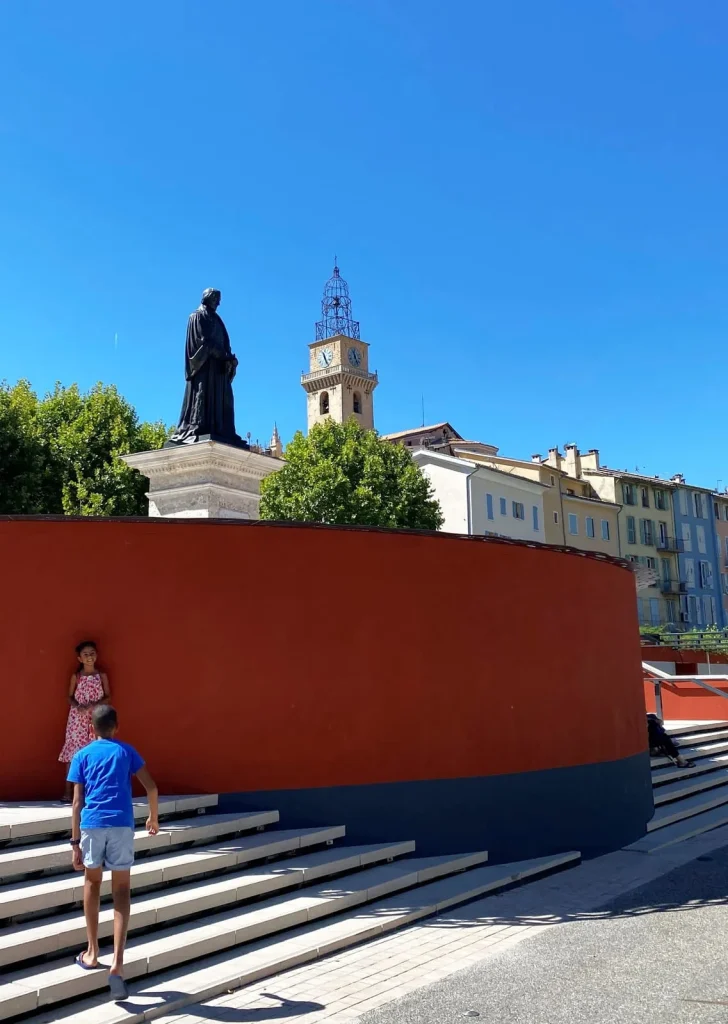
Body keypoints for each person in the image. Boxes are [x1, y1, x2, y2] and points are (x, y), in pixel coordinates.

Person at [68, 704, 159, 1002]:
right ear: (116, 727)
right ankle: (117, 965)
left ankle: (93, 952)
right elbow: (152, 787)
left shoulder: (81, 756)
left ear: (91, 729)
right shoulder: (126, 751)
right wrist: (153, 817)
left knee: (92, 884)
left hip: (92, 825)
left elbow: (77, 803)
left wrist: (75, 842)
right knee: (122, 890)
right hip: (121, 825)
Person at [59, 641, 110, 803]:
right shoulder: (77, 677)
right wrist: (78, 706)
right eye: (86, 654)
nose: (90, 657)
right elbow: (69, 696)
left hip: (95, 717)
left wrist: (94, 705)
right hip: (77, 719)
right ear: (79, 659)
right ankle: (68, 792)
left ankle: (92, 791)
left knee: (94, 751)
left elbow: (108, 696)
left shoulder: (101, 676)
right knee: (73, 753)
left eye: (92, 653)